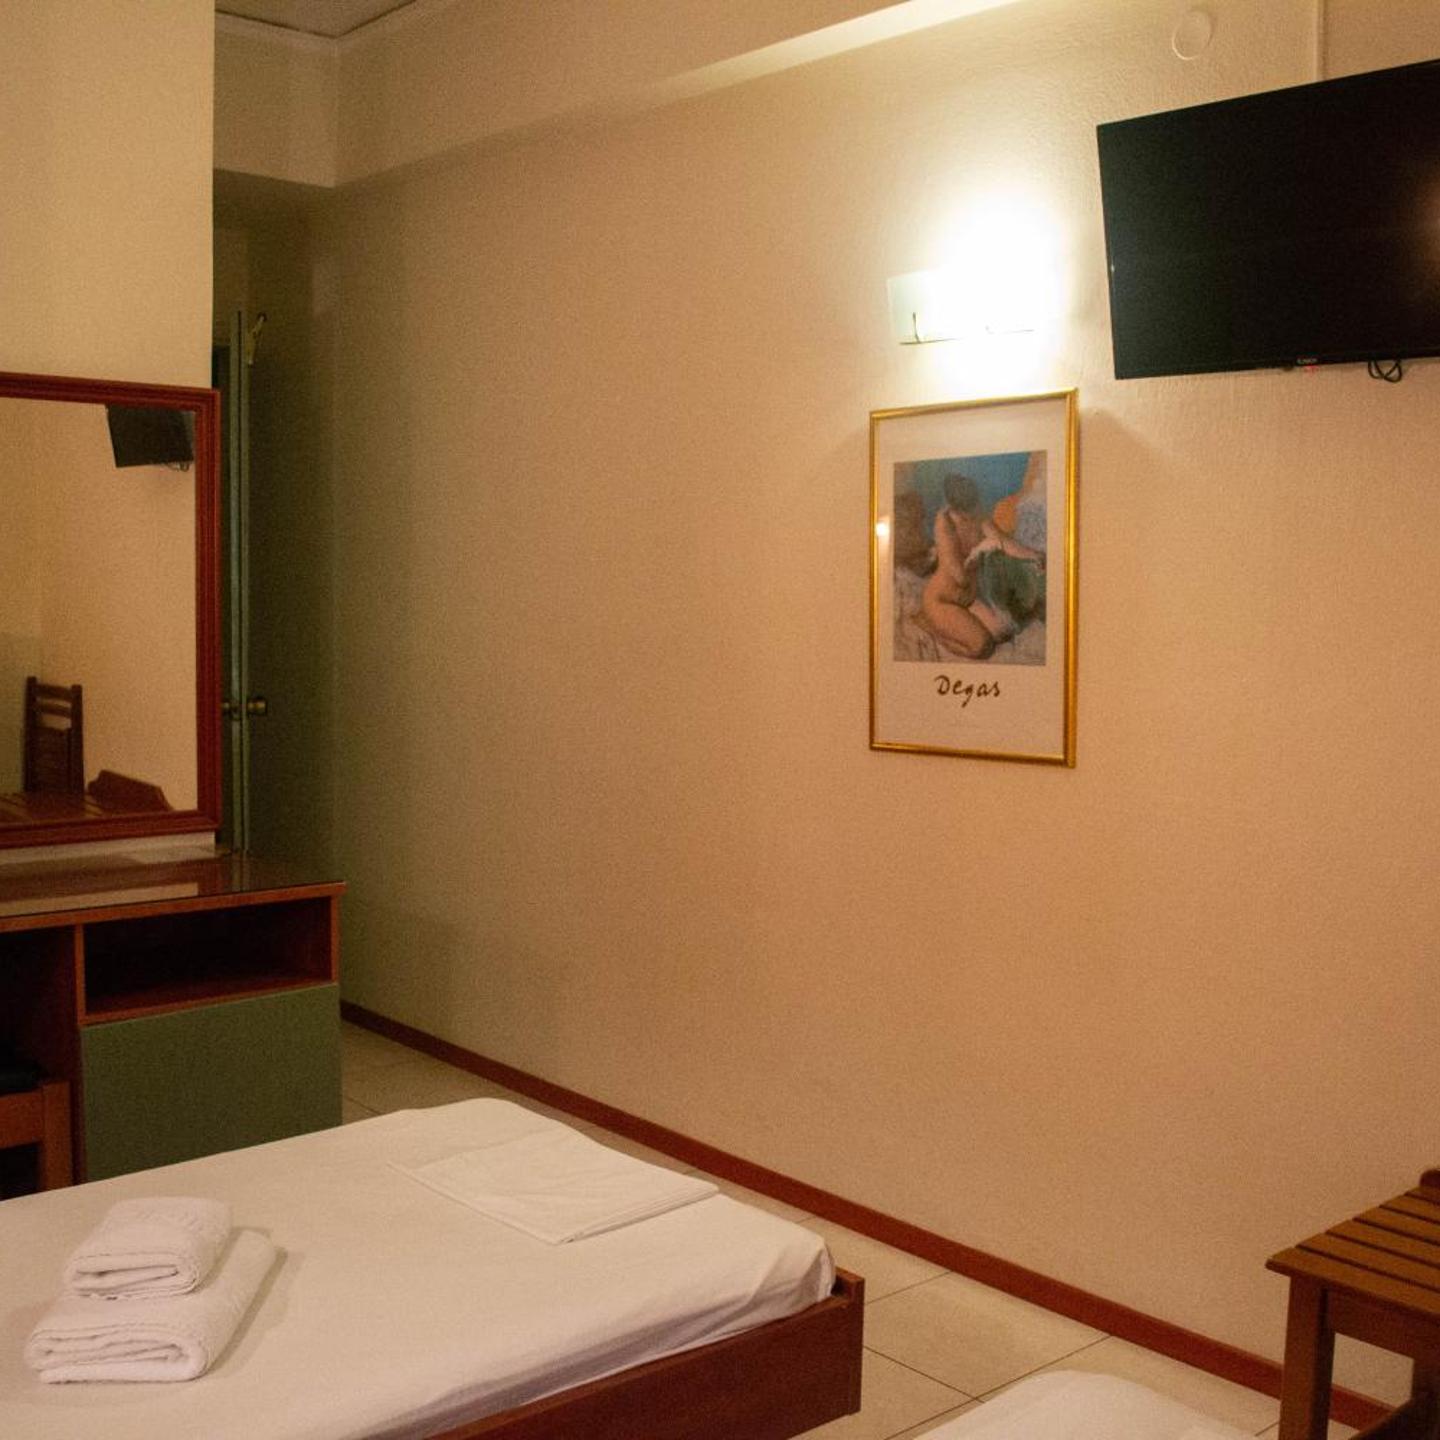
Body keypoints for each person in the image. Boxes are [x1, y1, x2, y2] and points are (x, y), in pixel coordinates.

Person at [920, 472, 1044, 661]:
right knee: (982, 646)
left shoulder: (977, 515)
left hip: (968, 601)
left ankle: (947, 625)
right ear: (954, 507)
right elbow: (960, 577)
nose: (972, 514)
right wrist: (980, 551)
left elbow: (1003, 541)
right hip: (944, 600)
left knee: (1002, 634)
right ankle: (930, 627)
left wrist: (1034, 555)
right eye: (966, 511)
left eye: (973, 507)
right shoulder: (945, 523)